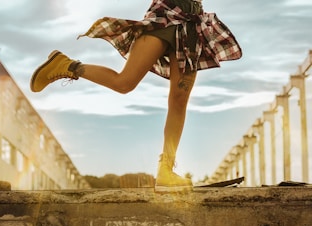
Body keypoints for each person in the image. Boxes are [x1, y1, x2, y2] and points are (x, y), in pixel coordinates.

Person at [30, 0, 242, 192]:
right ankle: (68, 66)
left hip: (192, 24)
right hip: (166, 14)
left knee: (179, 101)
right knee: (125, 83)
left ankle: (166, 170)